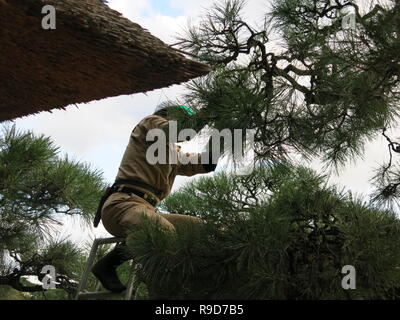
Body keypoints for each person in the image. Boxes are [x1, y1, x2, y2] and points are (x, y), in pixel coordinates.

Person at [91, 103, 219, 292]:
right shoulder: (150, 125)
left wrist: (225, 130)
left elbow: (208, 163)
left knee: (202, 230)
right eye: (181, 119)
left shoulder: (173, 152)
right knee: (163, 230)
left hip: (147, 209)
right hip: (123, 203)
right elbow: (184, 132)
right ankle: (108, 265)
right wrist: (210, 110)